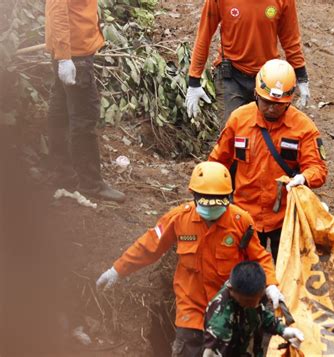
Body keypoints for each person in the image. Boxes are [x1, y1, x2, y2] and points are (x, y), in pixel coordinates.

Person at [96, 162, 285, 357]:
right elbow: (150, 246)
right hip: (191, 311)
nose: (211, 208)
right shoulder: (179, 219)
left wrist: (271, 285)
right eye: (206, 200)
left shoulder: (241, 222)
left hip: (228, 310)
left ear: (228, 197)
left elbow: (259, 256)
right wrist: (117, 270)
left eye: (217, 200)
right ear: (194, 195)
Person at [209, 59, 327, 261]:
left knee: (287, 275)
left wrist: (304, 178)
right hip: (245, 215)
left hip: (285, 217)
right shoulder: (239, 120)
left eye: (279, 105)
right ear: (256, 94)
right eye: (267, 102)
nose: (272, 108)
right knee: (247, 276)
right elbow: (218, 162)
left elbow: (318, 168)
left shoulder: (304, 128)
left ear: (289, 101)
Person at [45, 0, 125, 202]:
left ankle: (62, 174)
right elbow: (57, 9)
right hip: (74, 55)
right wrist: (64, 56)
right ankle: (90, 183)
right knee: (84, 117)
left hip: (74, 51)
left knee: (60, 113)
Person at [185, 0, 310, 122]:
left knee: (269, 130)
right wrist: (194, 81)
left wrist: (301, 77)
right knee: (231, 129)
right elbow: (204, 35)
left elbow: (290, 39)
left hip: (268, 78)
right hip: (231, 75)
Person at [203, 261, 304, 357]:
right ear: (231, 290)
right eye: (250, 301)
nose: (255, 304)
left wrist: (282, 330)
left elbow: (260, 314)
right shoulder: (220, 325)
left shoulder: (249, 296)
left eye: (259, 298)